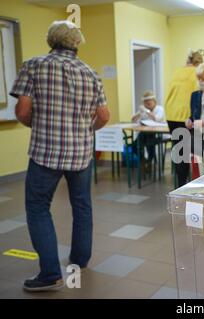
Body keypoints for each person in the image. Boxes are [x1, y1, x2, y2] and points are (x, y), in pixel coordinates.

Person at [9, 21, 110, 292]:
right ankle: (80, 260)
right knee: (82, 205)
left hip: (46, 150)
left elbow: (21, 110)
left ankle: (50, 273)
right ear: (77, 42)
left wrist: (38, 125)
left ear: (51, 40)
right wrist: (84, 130)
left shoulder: (34, 65)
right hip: (80, 153)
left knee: (38, 207)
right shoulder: (90, 73)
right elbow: (103, 117)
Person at [165, 50, 203, 187]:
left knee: (179, 150)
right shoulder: (197, 73)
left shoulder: (177, 72)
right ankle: (188, 184)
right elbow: (197, 96)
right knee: (190, 151)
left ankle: (180, 183)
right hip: (186, 116)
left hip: (171, 114)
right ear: (199, 63)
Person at [132, 91, 165, 162]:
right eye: (145, 102)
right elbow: (133, 120)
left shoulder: (159, 108)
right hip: (145, 133)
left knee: (149, 141)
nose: (147, 103)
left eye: (149, 102)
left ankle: (149, 160)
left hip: (157, 134)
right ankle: (143, 160)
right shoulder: (144, 110)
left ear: (154, 101)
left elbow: (157, 118)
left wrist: (147, 111)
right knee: (134, 146)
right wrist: (139, 113)